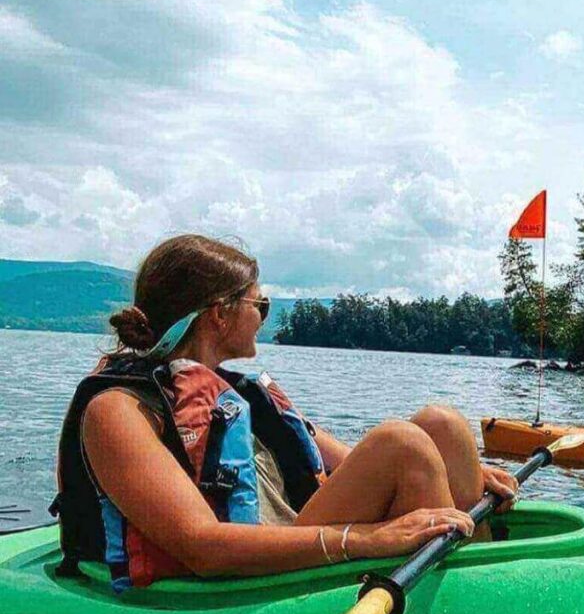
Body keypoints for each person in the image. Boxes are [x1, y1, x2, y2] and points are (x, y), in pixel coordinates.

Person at [52, 234, 518, 592]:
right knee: (403, 443)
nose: (264, 316)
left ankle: (475, 592)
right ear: (220, 314)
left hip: (289, 533)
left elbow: (352, 460)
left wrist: (466, 469)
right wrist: (367, 539)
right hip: (241, 574)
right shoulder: (119, 409)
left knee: (442, 426)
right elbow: (203, 546)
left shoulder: (236, 392)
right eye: (261, 305)